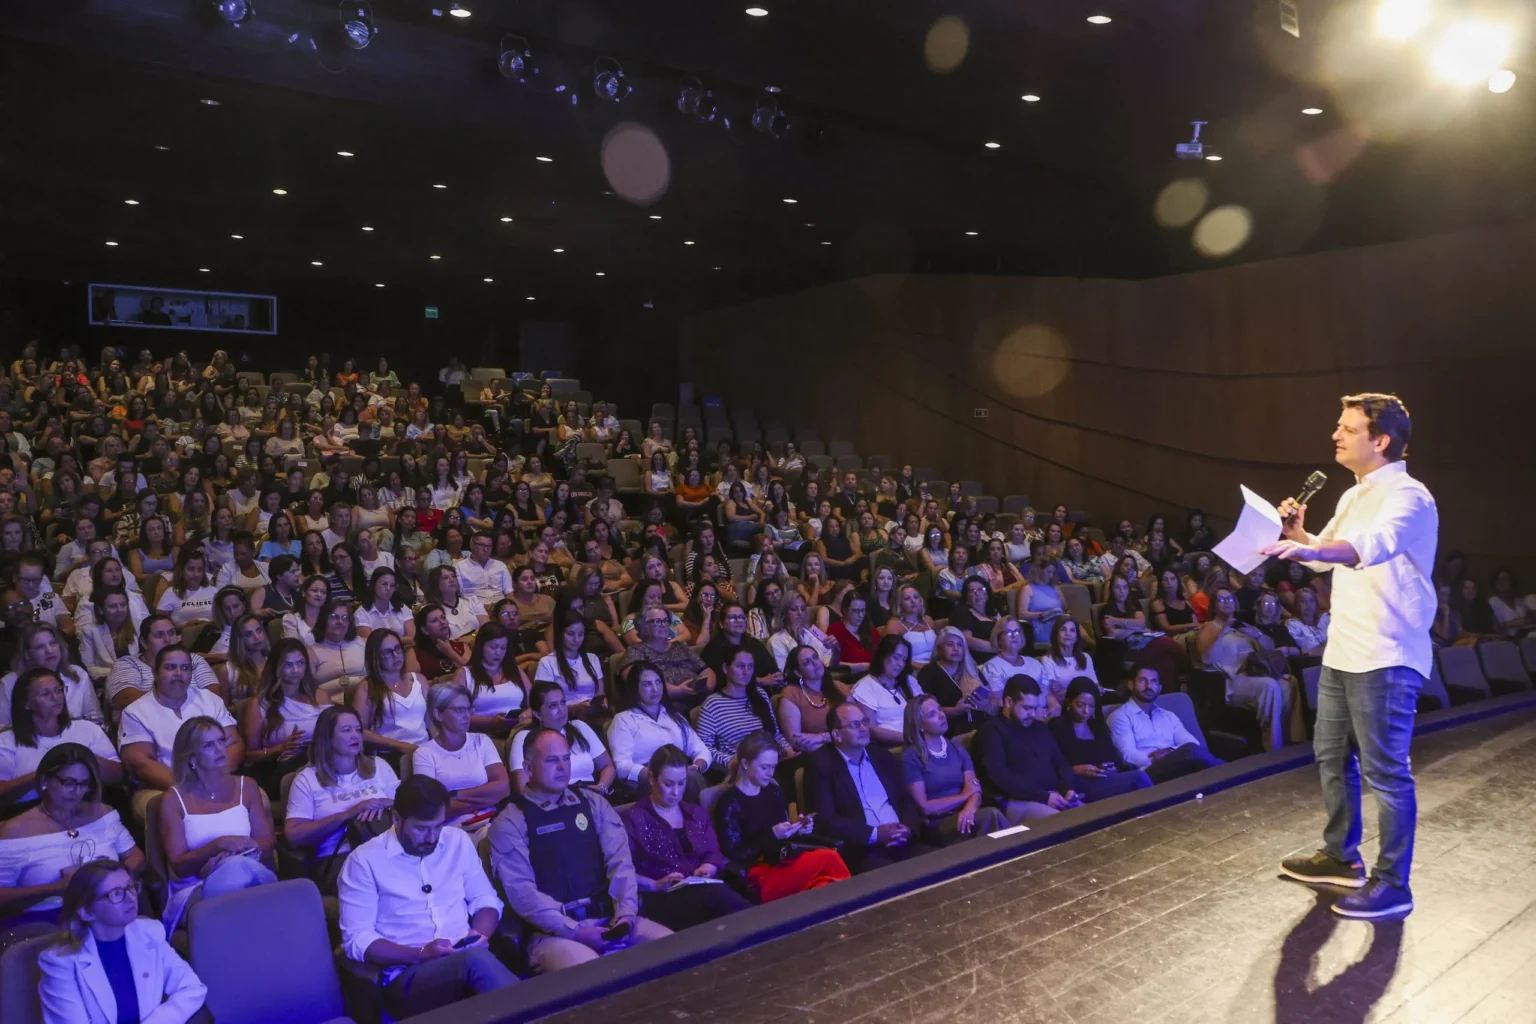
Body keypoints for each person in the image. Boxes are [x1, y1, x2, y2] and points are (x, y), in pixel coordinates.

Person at [1262, 393, 1437, 919]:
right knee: (1331, 757)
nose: (1335, 435)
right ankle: (1341, 857)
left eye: (1347, 428)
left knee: (1386, 772)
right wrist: (1301, 537)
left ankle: (1393, 883)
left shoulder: (1409, 496)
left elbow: (1373, 547)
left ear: (1380, 440)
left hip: (1387, 653)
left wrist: (1314, 549)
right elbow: (1324, 558)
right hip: (1343, 651)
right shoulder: (1352, 495)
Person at [488, 727, 673, 974]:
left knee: (674, 949)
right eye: (552, 760)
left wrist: (626, 915)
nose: (563, 767)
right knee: (597, 975)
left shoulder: (593, 802)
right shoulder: (510, 821)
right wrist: (575, 931)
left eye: (566, 758)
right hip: (554, 934)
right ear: (528, 768)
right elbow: (523, 894)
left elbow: (620, 863)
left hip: (612, 918)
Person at [338, 776, 518, 1016]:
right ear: (396, 819)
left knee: (476, 961)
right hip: (407, 977)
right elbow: (358, 941)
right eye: (421, 829)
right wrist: (421, 954)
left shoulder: (457, 842)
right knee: (474, 962)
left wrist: (480, 935)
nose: (432, 837)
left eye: (438, 826)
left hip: (466, 956)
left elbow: (485, 899)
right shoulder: (364, 861)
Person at [37, 859, 208, 1024]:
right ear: (87, 913)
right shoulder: (60, 962)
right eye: (116, 893)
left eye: (131, 887)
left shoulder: (149, 932)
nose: (131, 898)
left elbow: (192, 988)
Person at [0, 745, 143, 934]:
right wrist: (54, 888)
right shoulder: (15, 830)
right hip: (44, 922)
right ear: (44, 780)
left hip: (107, 909)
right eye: (69, 783)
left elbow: (136, 856)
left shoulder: (101, 813)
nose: (77, 792)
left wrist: (111, 880)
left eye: (84, 784)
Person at [157, 716, 279, 932]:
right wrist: (218, 845)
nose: (220, 749)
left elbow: (267, 844)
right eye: (208, 745)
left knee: (237, 870)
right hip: (196, 888)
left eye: (221, 741)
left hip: (251, 875)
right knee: (242, 886)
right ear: (191, 756)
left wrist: (238, 852)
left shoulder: (247, 786)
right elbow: (179, 866)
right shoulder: (172, 800)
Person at [621, 745, 755, 929]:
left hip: (700, 888)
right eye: (668, 784)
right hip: (662, 897)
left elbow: (713, 853)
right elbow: (622, 871)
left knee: (721, 894)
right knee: (717, 897)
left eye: (681, 783)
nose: (676, 792)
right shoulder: (634, 819)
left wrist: (708, 867)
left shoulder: (695, 813)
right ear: (651, 778)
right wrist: (654, 884)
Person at [712, 730, 851, 899]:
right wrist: (771, 836)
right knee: (829, 858)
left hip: (783, 859)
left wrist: (797, 829)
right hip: (759, 873)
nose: (770, 773)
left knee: (824, 885)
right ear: (746, 764)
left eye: (773, 767)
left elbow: (783, 835)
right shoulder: (729, 803)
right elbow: (735, 855)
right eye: (764, 767)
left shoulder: (773, 791)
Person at [117, 646, 242, 822]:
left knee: (259, 797)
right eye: (170, 667)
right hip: (163, 787)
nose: (178, 673)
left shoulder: (209, 699)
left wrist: (216, 778)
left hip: (216, 779)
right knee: (167, 811)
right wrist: (190, 787)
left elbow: (234, 743)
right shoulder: (136, 712)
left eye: (185, 668)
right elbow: (141, 764)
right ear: (155, 672)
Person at [804, 702, 932, 873]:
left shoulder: (880, 754)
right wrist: (874, 835)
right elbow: (825, 819)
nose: (864, 728)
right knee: (895, 878)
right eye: (855, 725)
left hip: (903, 839)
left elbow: (905, 799)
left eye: (864, 722)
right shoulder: (820, 764)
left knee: (941, 864)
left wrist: (907, 829)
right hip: (864, 850)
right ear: (837, 735)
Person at [284, 705, 402, 861]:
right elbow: (294, 836)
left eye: (358, 729)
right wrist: (349, 813)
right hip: (340, 857)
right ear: (327, 737)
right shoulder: (306, 779)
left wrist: (385, 802)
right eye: (346, 730)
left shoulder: (379, 766)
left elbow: (409, 809)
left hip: (388, 850)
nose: (356, 736)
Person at [0, 668, 123, 806]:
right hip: (30, 811)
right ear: (26, 703)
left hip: (86, 806)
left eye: (58, 690)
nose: (55, 697)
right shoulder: (6, 741)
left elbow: (118, 775)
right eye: (45, 693)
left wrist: (86, 759)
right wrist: (42, 774)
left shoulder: (87, 729)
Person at [901, 695, 1007, 843]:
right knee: (991, 817)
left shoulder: (956, 747)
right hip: (937, 822)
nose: (941, 715)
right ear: (919, 725)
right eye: (932, 714)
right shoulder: (911, 757)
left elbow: (974, 788)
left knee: (992, 816)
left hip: (966, 813)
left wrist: (969, 809)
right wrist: (963, 797)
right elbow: (925, 808)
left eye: (939, 709)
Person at [410, 683, 510, 838]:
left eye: (469, 709)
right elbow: (430, 808)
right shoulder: (424, 754)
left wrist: (454, 795)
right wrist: (485, 800)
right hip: (452, 831)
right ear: (438, 714)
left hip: (493, 822)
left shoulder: (481, 741)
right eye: (459, 710)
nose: (467, 716)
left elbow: (503, 787)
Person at [606, 663, 711, 800]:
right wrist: (655, 775)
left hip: (683, 774)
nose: (655, 689)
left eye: (658, 682)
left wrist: (697, 767)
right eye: (647, 684)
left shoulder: (675, 716)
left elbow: (700, 749)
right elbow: (622, 765)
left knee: (696, 781)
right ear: (634, 687)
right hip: (648, 781)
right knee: (691, 782)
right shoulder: (623, 720)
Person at [1106, 666, 1224, 782]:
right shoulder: (1120, 717)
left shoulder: (1168, 716)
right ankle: (1228, 774)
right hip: (1148, 772)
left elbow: (1192, 742)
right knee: (1196, 754)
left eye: (1154, 682)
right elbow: (1127, 755)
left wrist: (1168, 752)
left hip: (1179, 765)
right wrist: (1154, 759)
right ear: (1131, 685)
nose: (1148, 686)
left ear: (1159, 688)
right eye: (1143, 680)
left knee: (1196, 756)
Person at [1047, 678, 1155, 802]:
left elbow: (1114, 759)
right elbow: (1053, 765)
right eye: (1080, 705)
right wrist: (1077, 769)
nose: (1086, 711)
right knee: (1138, 778)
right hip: (1076, 784)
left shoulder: (1098, 727)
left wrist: (1112, 768)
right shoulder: (1057, 726)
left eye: (1091, 706)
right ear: (1068, 702)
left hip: (1103, 780)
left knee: (1139, 777)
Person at [696, 646, 794, 775]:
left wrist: (788, 750)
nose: (746, 672)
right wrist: (732, 761)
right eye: (740, 666)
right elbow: (705, 748)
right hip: (741, 770)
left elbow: (775, 734)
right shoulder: (713, 704)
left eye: (750, 667)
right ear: (726, 668)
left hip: (771, 762)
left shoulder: (760, 695)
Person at [507, 682, 614, 794]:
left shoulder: (580, 727)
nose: (561, 710)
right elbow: (521, 786)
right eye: (553, 706)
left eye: (563, 703)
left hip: (592, 795)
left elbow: (607, 766)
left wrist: (601, 787)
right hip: (553, 801)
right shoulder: (524, 738)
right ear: (538, 714)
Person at [0, 623, 103, 728]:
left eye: (53, 643)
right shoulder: (9, 683)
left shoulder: (77, 674)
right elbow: (2, 728)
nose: (49, 651)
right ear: (28, 654)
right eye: (40, 647)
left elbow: (95, 718)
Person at [352, 629, 430, 758]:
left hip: (424, 750)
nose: (396, 655)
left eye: (397, 648)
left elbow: (431, 722)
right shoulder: (367, 687)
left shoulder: (419, 679)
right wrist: (401, 746)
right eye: (388, 652)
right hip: (390, 754)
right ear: (376, 657)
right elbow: (359, 730)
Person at [848, 635, 925, 747]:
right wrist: (909, 738)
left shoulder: (909, 681)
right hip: (893, 748)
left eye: (904, 660)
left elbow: (925, 711)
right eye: (896, 657)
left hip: (922, 740)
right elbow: (871, 729)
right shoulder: (865, 687)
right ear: (882, 656)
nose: (900, 664)